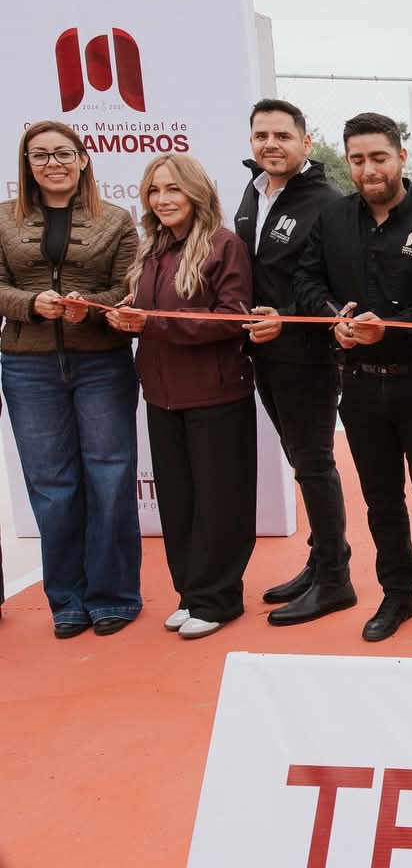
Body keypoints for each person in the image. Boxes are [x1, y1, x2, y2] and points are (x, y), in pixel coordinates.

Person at [293, 112, 412, 643]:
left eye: (379, 158)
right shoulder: (332, 220)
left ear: (401, 158)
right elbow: (306, 281)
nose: (369, 169)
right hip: (361, 384)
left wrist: (387, 327)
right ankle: (398, 593)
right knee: (381, 497)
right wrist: (335, 319)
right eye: (358, 159)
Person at [0, 121, 140, 638]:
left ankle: (114, 597)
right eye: (39, 155)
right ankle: (67, 600)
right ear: (27, 164)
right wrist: (30, 304)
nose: (52, 163)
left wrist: (92, 307)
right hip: (27, 366)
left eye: (62, 153)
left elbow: (128, 287)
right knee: (52, 485)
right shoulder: (3, 219)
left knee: (110, 477)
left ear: (83, 159)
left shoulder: (116, 219)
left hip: (102, 362)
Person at [107, 154, 255, 640]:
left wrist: (151, 322)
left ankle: (220, 599)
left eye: (173, 188)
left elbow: (232, 318)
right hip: (161, 395)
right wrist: (128, 314)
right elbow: (153, 313)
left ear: (195, 191)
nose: (162, 199)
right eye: (154, 190)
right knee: (178, 501)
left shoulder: (225, 245)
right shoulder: (153, 248)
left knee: (219, 501)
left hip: (215, 394)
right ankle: (192, 592)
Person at [231, 99, 353, 627]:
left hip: (309, 358)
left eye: (282, 136)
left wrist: (288, 320)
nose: (270, 144)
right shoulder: (252, 193)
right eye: (261, 135)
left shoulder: (327, 203)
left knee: (314, 463)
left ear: (306, 142)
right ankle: (321, 559)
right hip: (262, 354)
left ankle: (336, 581)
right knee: (302, 462)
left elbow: (335, 289)